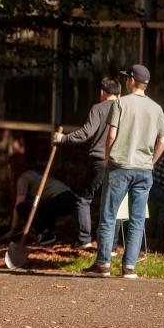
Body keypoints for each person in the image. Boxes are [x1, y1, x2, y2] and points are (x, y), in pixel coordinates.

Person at [84, 64, 164, 279]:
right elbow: (163, 141)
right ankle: (129, 267)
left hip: (120, 167)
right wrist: (152, 161)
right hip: (144, 170)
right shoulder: (157, 108)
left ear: (131, 80)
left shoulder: (121, 103)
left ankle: (103, 264)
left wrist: (106, 158)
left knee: (108, 216)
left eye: (126, 79)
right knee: (137, 219)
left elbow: (111, 135)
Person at [52, 77, 121, 249]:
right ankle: (111, 247)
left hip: (99, 160)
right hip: (119, 162)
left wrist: (63, 138)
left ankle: (84, 240)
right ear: (119, 93)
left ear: (102, 92)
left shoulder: (98, 108)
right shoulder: (124, 108)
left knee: (83, 198)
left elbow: (86, 133)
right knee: (114, 203)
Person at [12, 170, 78, 246]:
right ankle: (53, 235)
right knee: (43, 207)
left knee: (21, 207)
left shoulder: (23, 178)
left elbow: (19, 203)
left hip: (60, 199)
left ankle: (46, 234)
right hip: (71, 199)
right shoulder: (40, 173)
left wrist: (13, 229)